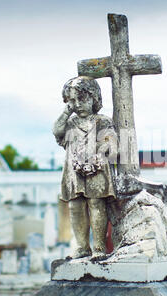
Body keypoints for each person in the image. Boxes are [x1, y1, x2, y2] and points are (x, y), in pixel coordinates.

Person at [53, 76, 117, 261]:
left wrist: (105, 148)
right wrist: (66, 112)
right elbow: (57, 130)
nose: (78, 104)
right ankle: (82, 246)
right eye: (72, 100)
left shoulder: (101, 121)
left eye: (82, 99)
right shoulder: (70, 123)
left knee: (96, 204)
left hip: (96, 168)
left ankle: (99, 246)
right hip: (74, 171)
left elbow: (112, 140)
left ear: (94, 98)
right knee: (75, 206)